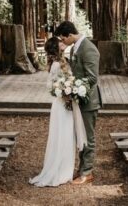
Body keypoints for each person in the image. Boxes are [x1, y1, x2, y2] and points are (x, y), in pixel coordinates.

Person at [29, 36, 86, 187]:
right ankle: (58, 171)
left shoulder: (64, 61)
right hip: (61, 105)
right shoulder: (55, 65)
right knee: (61, 136)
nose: (63, 43)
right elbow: (50, 86)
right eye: (60, 42)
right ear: (56, 47)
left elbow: (68, 79)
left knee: (67, 136)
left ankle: (66, 170)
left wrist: (71, 90)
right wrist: (64, 92)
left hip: (67, 104)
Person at [54, 21, 102, 185]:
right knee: (79, 136)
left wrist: (73, 88)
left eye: (62, 38)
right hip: (78, 100)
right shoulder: (75, 47)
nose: (62, 42)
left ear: (69, 35)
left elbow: (92, 78)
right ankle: (82, 168)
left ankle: (87, 172)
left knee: (88, 137)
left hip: (88, 101)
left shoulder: (88, 49)